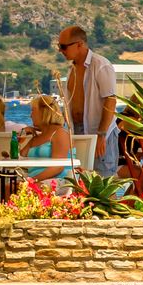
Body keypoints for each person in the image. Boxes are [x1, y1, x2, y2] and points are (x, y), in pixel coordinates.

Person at [56, 25, 118, 176]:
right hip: (78, 132)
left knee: (102, 181)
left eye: (63, 47)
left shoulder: (101, 65)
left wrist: (101, 135)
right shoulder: (72, 70)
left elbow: (110, 100)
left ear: (79, 44)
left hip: (99, 132)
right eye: (59, 46)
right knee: (82, 179)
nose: (60, 51)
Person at [19, 94, 72, 185]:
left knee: (12, 188)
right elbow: (19, 158)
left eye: (33, 111)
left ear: (44, 112)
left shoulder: (60, 133)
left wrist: (31, 181)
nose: (30, 115)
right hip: (35, 180)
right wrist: (22, 133)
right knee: (8, 186)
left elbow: (58, 167)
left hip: (56, 181)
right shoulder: (37, 137)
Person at [114, 107, 143, 196]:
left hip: (119, 162)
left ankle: (126, 205)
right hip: (115, 164)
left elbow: (142, 146)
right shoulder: (127, 119)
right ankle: (127, 206)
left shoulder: (127, 118)